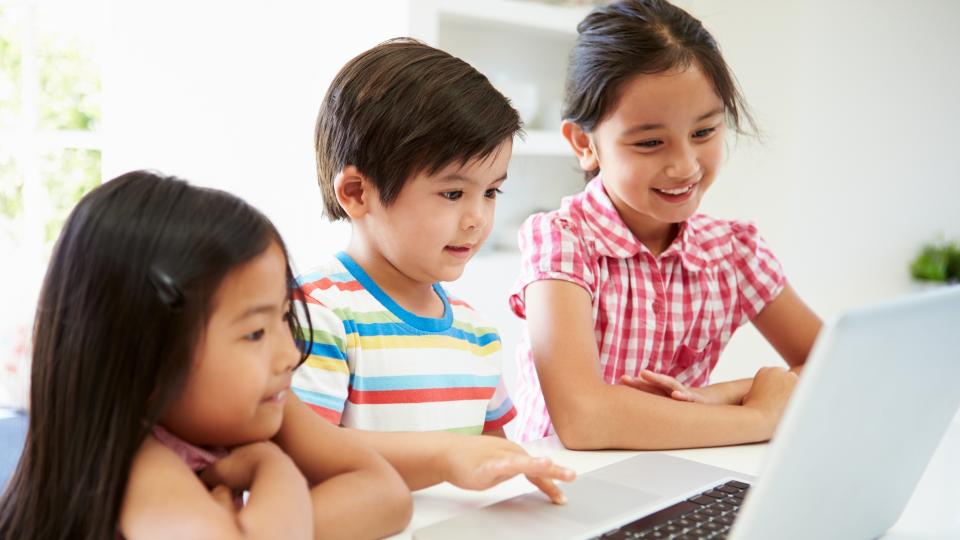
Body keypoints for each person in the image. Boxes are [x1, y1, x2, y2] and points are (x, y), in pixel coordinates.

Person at [0, 171, 411, 539]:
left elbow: (389, 496)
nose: (289, 354)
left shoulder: (263, 406)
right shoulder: (141, 465)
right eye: (254, 333)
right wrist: (273, 469)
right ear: (146, 360)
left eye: (285, 317)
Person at [508, 0, 823, 449]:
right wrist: (758, 416)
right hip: (566, 489)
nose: (684, 165)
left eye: (704, 133)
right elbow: (582, 418)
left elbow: (832, 365)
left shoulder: (734, 251)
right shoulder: (562, 241)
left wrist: (720, 396)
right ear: (584, 143)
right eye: (651, 142)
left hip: (682, 476)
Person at [292, 38, 574, 502]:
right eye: (452, 193)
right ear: (358, 192)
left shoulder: (475, 332)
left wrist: (523, 472)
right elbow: (302, 455)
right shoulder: (317, 312)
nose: (478, 219)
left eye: (491, 193)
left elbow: (491, 456)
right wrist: (444, 455)